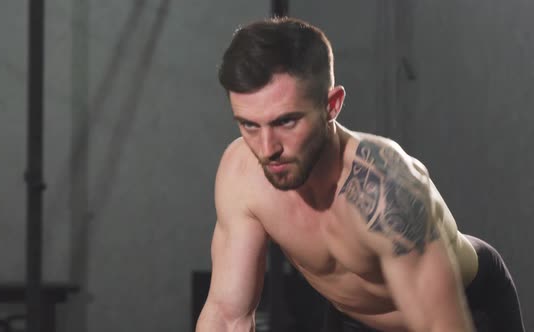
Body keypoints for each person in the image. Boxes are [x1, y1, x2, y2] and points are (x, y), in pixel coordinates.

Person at [195, 17, 525, 332]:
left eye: (286, 122)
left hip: (463, 308)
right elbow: (226, 317)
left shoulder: (385, 188)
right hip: (353, 320)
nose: (267, 149)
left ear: (332, 105)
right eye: (249, 125)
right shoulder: (242, 175)